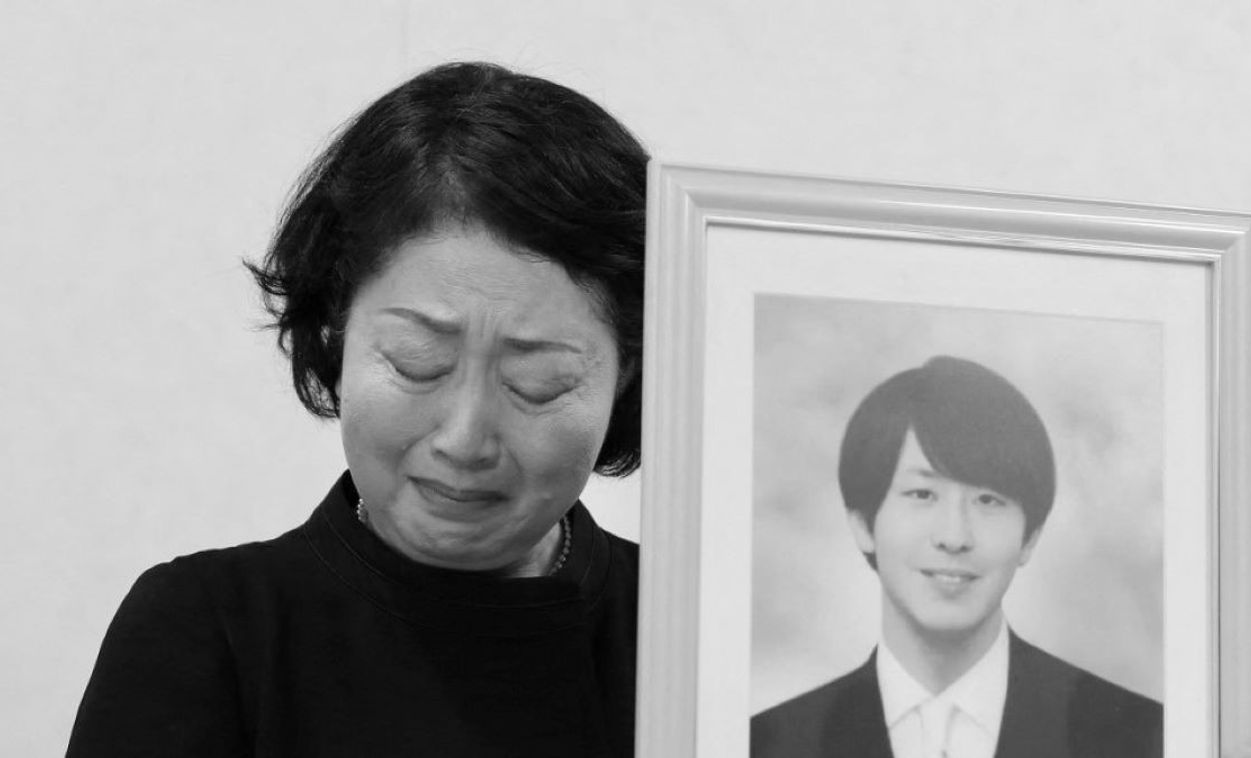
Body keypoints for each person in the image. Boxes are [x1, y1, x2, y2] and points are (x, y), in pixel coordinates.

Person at [67, 62, 647, 757]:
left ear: (627, 373)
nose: (465, 440)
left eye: (539, 382)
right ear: (336, 333)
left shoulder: (697, 644)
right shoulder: (210, 630)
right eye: (415, 361)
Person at [751, 356, 1162, 758]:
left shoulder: (1140, 737)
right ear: (862, 524)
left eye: (988, 499)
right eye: (922, 494)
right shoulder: (768, 743)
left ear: (1031, 537)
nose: (954, 536)